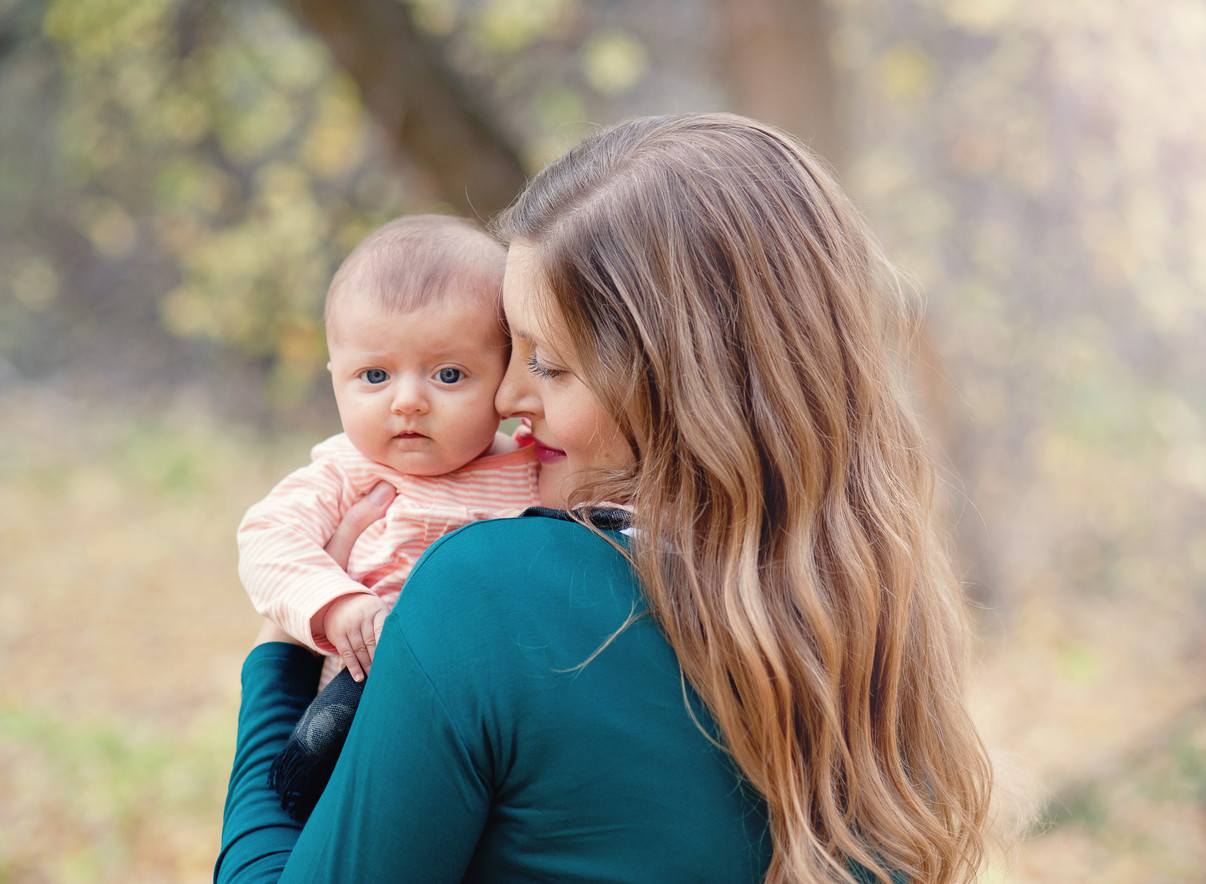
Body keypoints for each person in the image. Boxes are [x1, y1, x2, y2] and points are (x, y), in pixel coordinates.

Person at [217, 113, 996, 884]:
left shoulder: (489, 594)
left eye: (549, 364)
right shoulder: (866, 629)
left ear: (683, 386)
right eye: (510, 352)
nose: (507, 397)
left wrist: (280, 653)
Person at [237, 215, 540, 688]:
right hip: (358, 706)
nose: (408, 402)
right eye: (375, 376)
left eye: (448, 375)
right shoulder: (347, 471)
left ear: (505, 375)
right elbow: (266, 540)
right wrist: (337, 604)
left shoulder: (535, 467)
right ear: (336, 378)